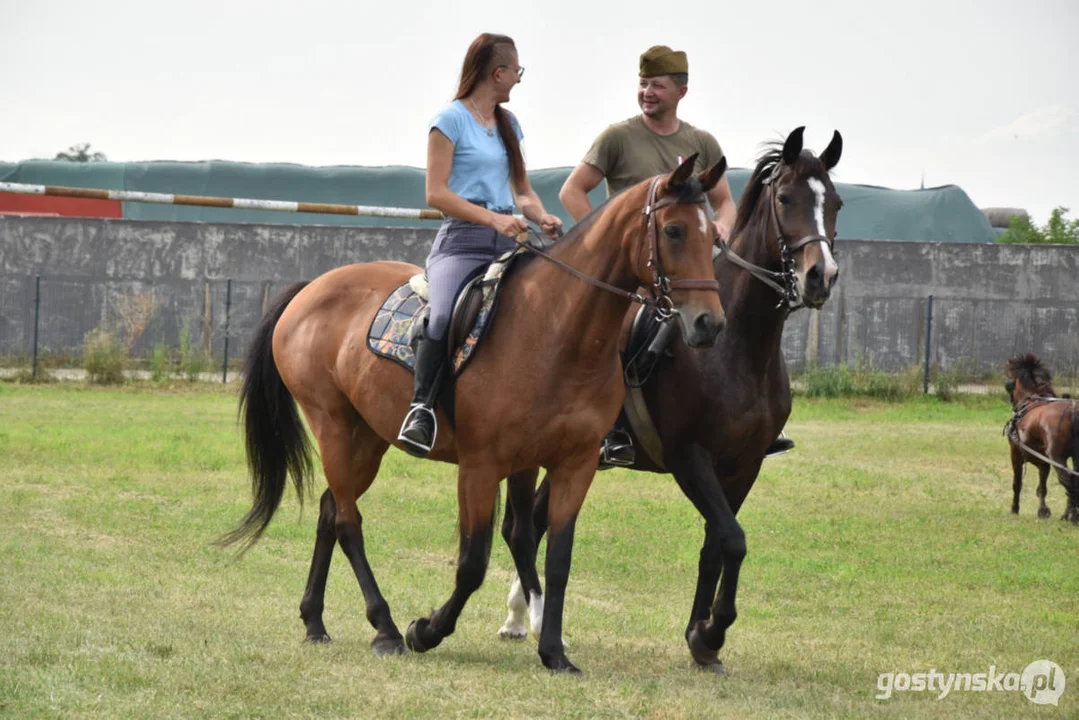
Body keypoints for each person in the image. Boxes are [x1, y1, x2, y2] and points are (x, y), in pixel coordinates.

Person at [559, 45, 794, 466]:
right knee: (618, 334)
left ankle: (755, 420)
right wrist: (604, 240)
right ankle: (613, 431)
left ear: (681, 91)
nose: (647, 92)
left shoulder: (700, 142)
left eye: (658, 85)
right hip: (633, 272)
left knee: (741, 320)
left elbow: (724, 202)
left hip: (686, 265)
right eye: (643, 83)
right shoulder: (617, 137)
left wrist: (722, 225)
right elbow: (572, 190)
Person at [398, 33, 562, 458]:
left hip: (510, 242)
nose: (519, 81)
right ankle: (421, 410)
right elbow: (436, 193)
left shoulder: (510, 125)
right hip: (462, 243)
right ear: (497, 73)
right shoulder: (449, 121)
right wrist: (493, 218)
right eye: (517, 71)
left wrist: (540, 215)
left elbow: (522, 190)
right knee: (443, 315)